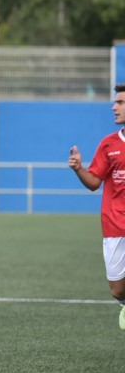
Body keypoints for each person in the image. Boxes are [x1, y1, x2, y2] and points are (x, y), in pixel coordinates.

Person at [67, 84, 125, 330]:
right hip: (114, 225)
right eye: (116, 102)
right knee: (116, 289)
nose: (114, 107)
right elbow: (94, 183)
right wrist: (79, 168)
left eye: (120, 102)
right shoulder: (109, 144)